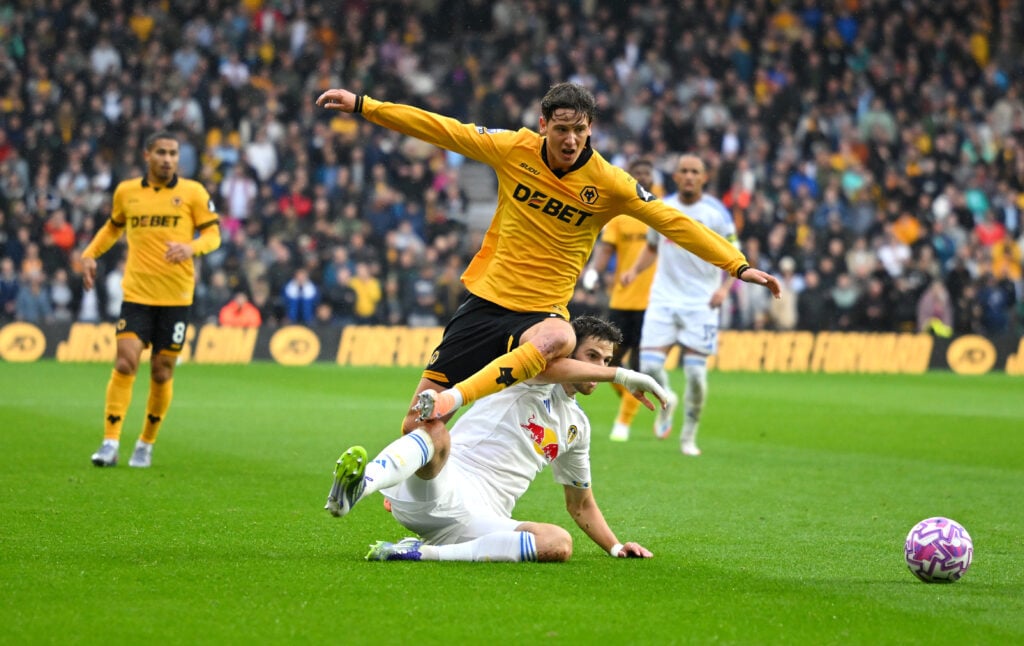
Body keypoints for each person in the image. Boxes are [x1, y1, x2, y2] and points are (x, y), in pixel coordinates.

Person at [316, 83, 779, 455]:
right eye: (561, 129)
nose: (570, 139)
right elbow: (443, 130)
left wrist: (737, 267)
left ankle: (456, 398)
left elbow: (674, 222)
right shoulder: (512, 149)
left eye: (579, 129)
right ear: (543, 125)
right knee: (417, 426)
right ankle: (429, 496)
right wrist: (365, 106)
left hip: (542, 312)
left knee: (562, 338)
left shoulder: (610, 183)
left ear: (590, 128)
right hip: (485, 302)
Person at [330, 316, 654, 562]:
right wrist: (620, 375)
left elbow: (580, 504)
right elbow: (544, 368)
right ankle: (362, 484)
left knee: (558, 544)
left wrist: (615, 546)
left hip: (478, 520)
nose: (600, 367)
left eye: (607, 361)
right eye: (592, 356)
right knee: (435, 429)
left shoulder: (577, 427)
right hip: (442, 481)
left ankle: (423, 553)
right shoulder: (527, 377)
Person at [81, 131, 221, 468]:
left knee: (161, 372)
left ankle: (145, 442)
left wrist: (191, 247)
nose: (168, 159)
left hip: (176, 297)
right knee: (125, 362)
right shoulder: (127, 192)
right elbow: (113, 227)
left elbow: (214, 235)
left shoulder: (193, 193)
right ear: (148, 155)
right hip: (137, 294)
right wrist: (90, 254)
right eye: (161, 152)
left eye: (173, 153)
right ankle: (110, 443)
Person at [620, 155, 738, 456]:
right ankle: (668, 399)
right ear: (675, 176)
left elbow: (735, 255)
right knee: (648, 367)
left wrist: (725, 289)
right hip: (663, 299)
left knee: (697, 377)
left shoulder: (717, 213)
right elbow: (651, 247)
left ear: (704, 177)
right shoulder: (661, 207)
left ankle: (688, 437)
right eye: (683, 171)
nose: (688, 176)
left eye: (694, 171)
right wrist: (634, 271)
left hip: (702, 303)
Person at [580, 156, 659, 442]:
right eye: (637, 173)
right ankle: (636, 402)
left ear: (652, 177)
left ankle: (623, 423)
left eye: (646, 172)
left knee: (638, 365)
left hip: (653, 304)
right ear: (630, 176)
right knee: (609, 362)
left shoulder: (661, 212)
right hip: (622, 300)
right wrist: (593, 272)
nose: (642, 177)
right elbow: (605, 250)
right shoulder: (620, 215)